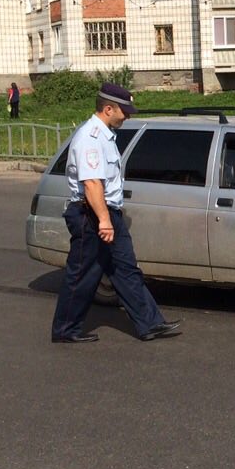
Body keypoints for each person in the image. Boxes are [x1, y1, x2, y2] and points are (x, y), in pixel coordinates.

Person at [51, 83, 180, 344]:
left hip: (107, 214)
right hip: (92, 215)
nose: (128, 116)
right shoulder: (90, 138)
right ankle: (65, 329)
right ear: (108, 109)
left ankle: (150, 324)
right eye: (125, 111)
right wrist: (105, 221)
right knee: (83, 274)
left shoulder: (106, 135)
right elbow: (92, 184)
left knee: (126, 270)